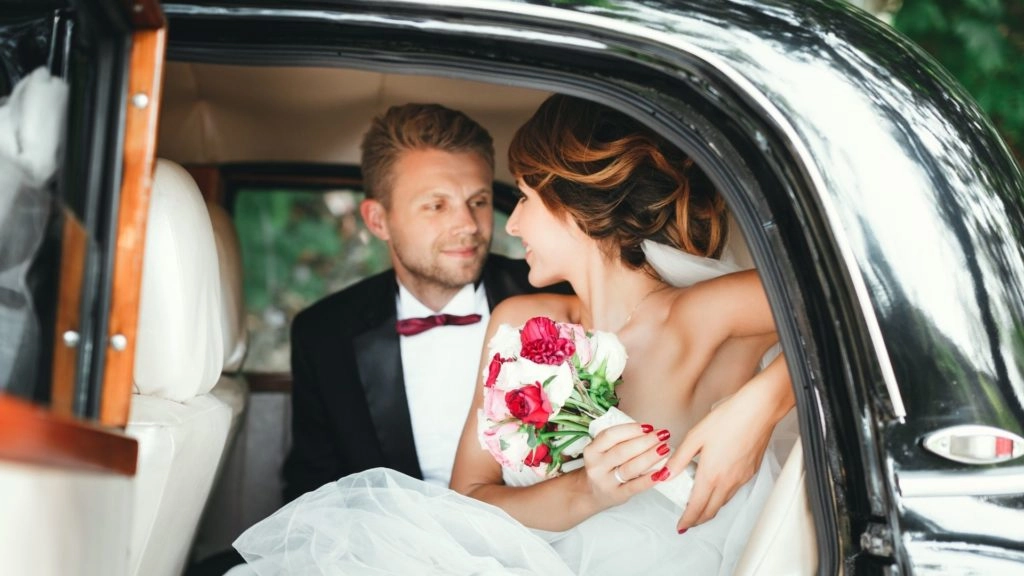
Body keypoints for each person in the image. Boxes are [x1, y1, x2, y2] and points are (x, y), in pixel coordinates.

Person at [230, 94, 795, 576]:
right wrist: (586, 492)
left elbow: (859, 315)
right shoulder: (519, 322)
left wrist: (760, 407)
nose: (510, 222)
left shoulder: (704, 313)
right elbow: (470, 500)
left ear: (573, 207)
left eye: (520, 197)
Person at [282, 102, 564, 502]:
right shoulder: (325, 333)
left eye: (479, 201)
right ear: (378, 220)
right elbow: (312, 490)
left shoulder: (555, 299)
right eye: (436, 205)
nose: (468, 224)